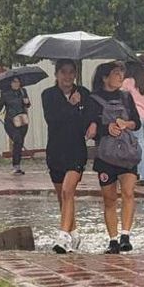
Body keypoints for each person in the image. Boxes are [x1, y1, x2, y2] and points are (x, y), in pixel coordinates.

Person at [42, 59, 97, 254]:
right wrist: (70, 105)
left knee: (68, 191)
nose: (67, 76)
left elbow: (91, 116)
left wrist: (93, 124)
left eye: (71, 72)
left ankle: (62, 236)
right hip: (56, 151)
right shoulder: (48, 95)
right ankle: (74, 233)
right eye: (63, 72)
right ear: (56, 74)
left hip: (76, 151)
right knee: (62, 196)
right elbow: (53, 119)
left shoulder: (84, 94)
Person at [91, 61, 142, 254]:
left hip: (127, 153)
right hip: (105, 156)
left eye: (121, 72)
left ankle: (125, 235)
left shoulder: (127, 97)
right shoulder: (93, 99)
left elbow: (136, 123)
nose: (120, 76)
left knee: (128, 193)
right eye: (115, 73)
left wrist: (126, 124)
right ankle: (112, 239)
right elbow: (91, 128)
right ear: (105, 77)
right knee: (109, 198)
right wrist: (106, 128)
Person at [0, 77, 31, 175]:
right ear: (10, 83)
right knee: (17, 140)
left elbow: (28, 105)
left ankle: (18, 166)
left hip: (22, 120)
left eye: (18, 81)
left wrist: (27, 102)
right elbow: (0, 106)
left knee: (20, 143)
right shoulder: (5, 93)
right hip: (11, 121)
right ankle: (15, 166)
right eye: (14, 82)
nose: (17, 84)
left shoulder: (23, 91)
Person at [123, 62, 144, 186]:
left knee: (138, 146)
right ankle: (135, 172)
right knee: (135, 144)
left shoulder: (127, 82)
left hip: (136, 117)